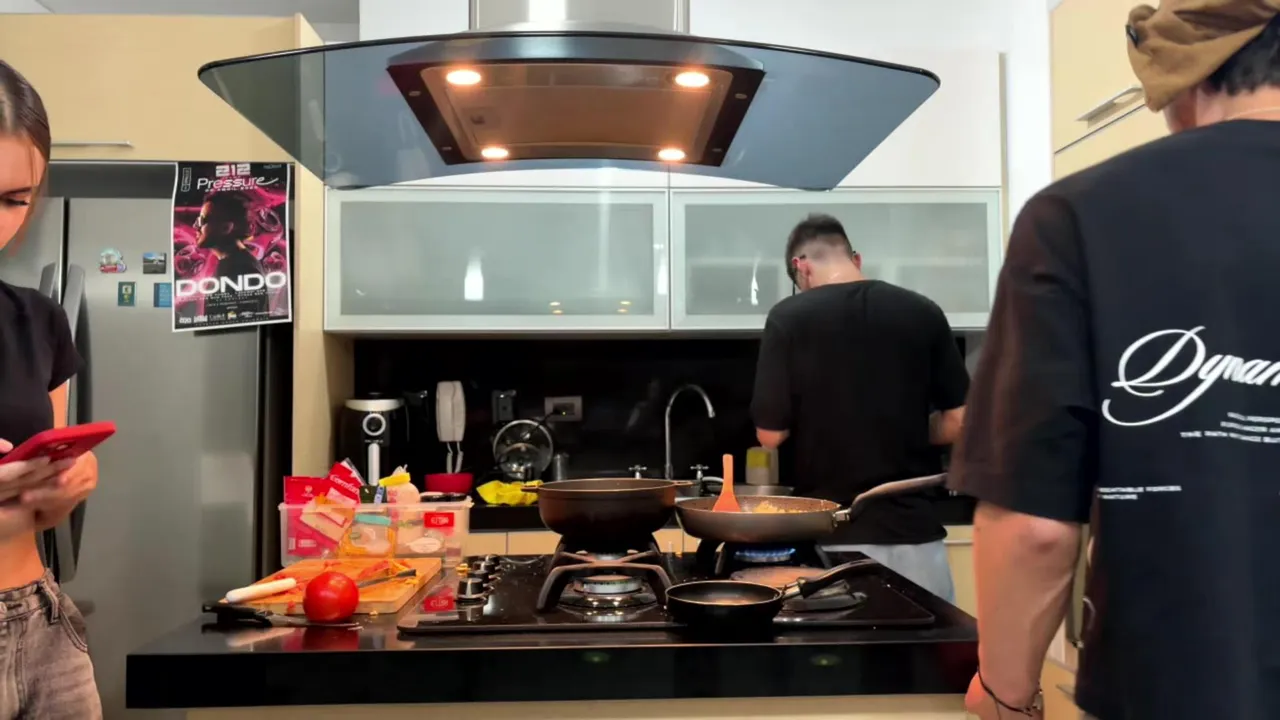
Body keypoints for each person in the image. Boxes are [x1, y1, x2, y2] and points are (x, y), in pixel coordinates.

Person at [950, 3, 1280, 718]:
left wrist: (1005, 696)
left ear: (1183, 79)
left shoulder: (1082, 215)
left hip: (1180, 688)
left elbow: (1034, 527)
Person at [750, 214, 969, 600]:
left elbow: (769, 436)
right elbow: (961, 421)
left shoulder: (788, 317)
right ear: (856, 259)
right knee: (928, 639)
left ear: (801, 267)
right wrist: (905, 426)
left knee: (844, 640)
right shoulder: (923, 311)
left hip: (832, 539)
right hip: (916, 538)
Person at [0, 60, 102, 717]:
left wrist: (67, 484)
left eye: (13, 200)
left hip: (41, 623)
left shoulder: (39, 320)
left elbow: (41, 509)